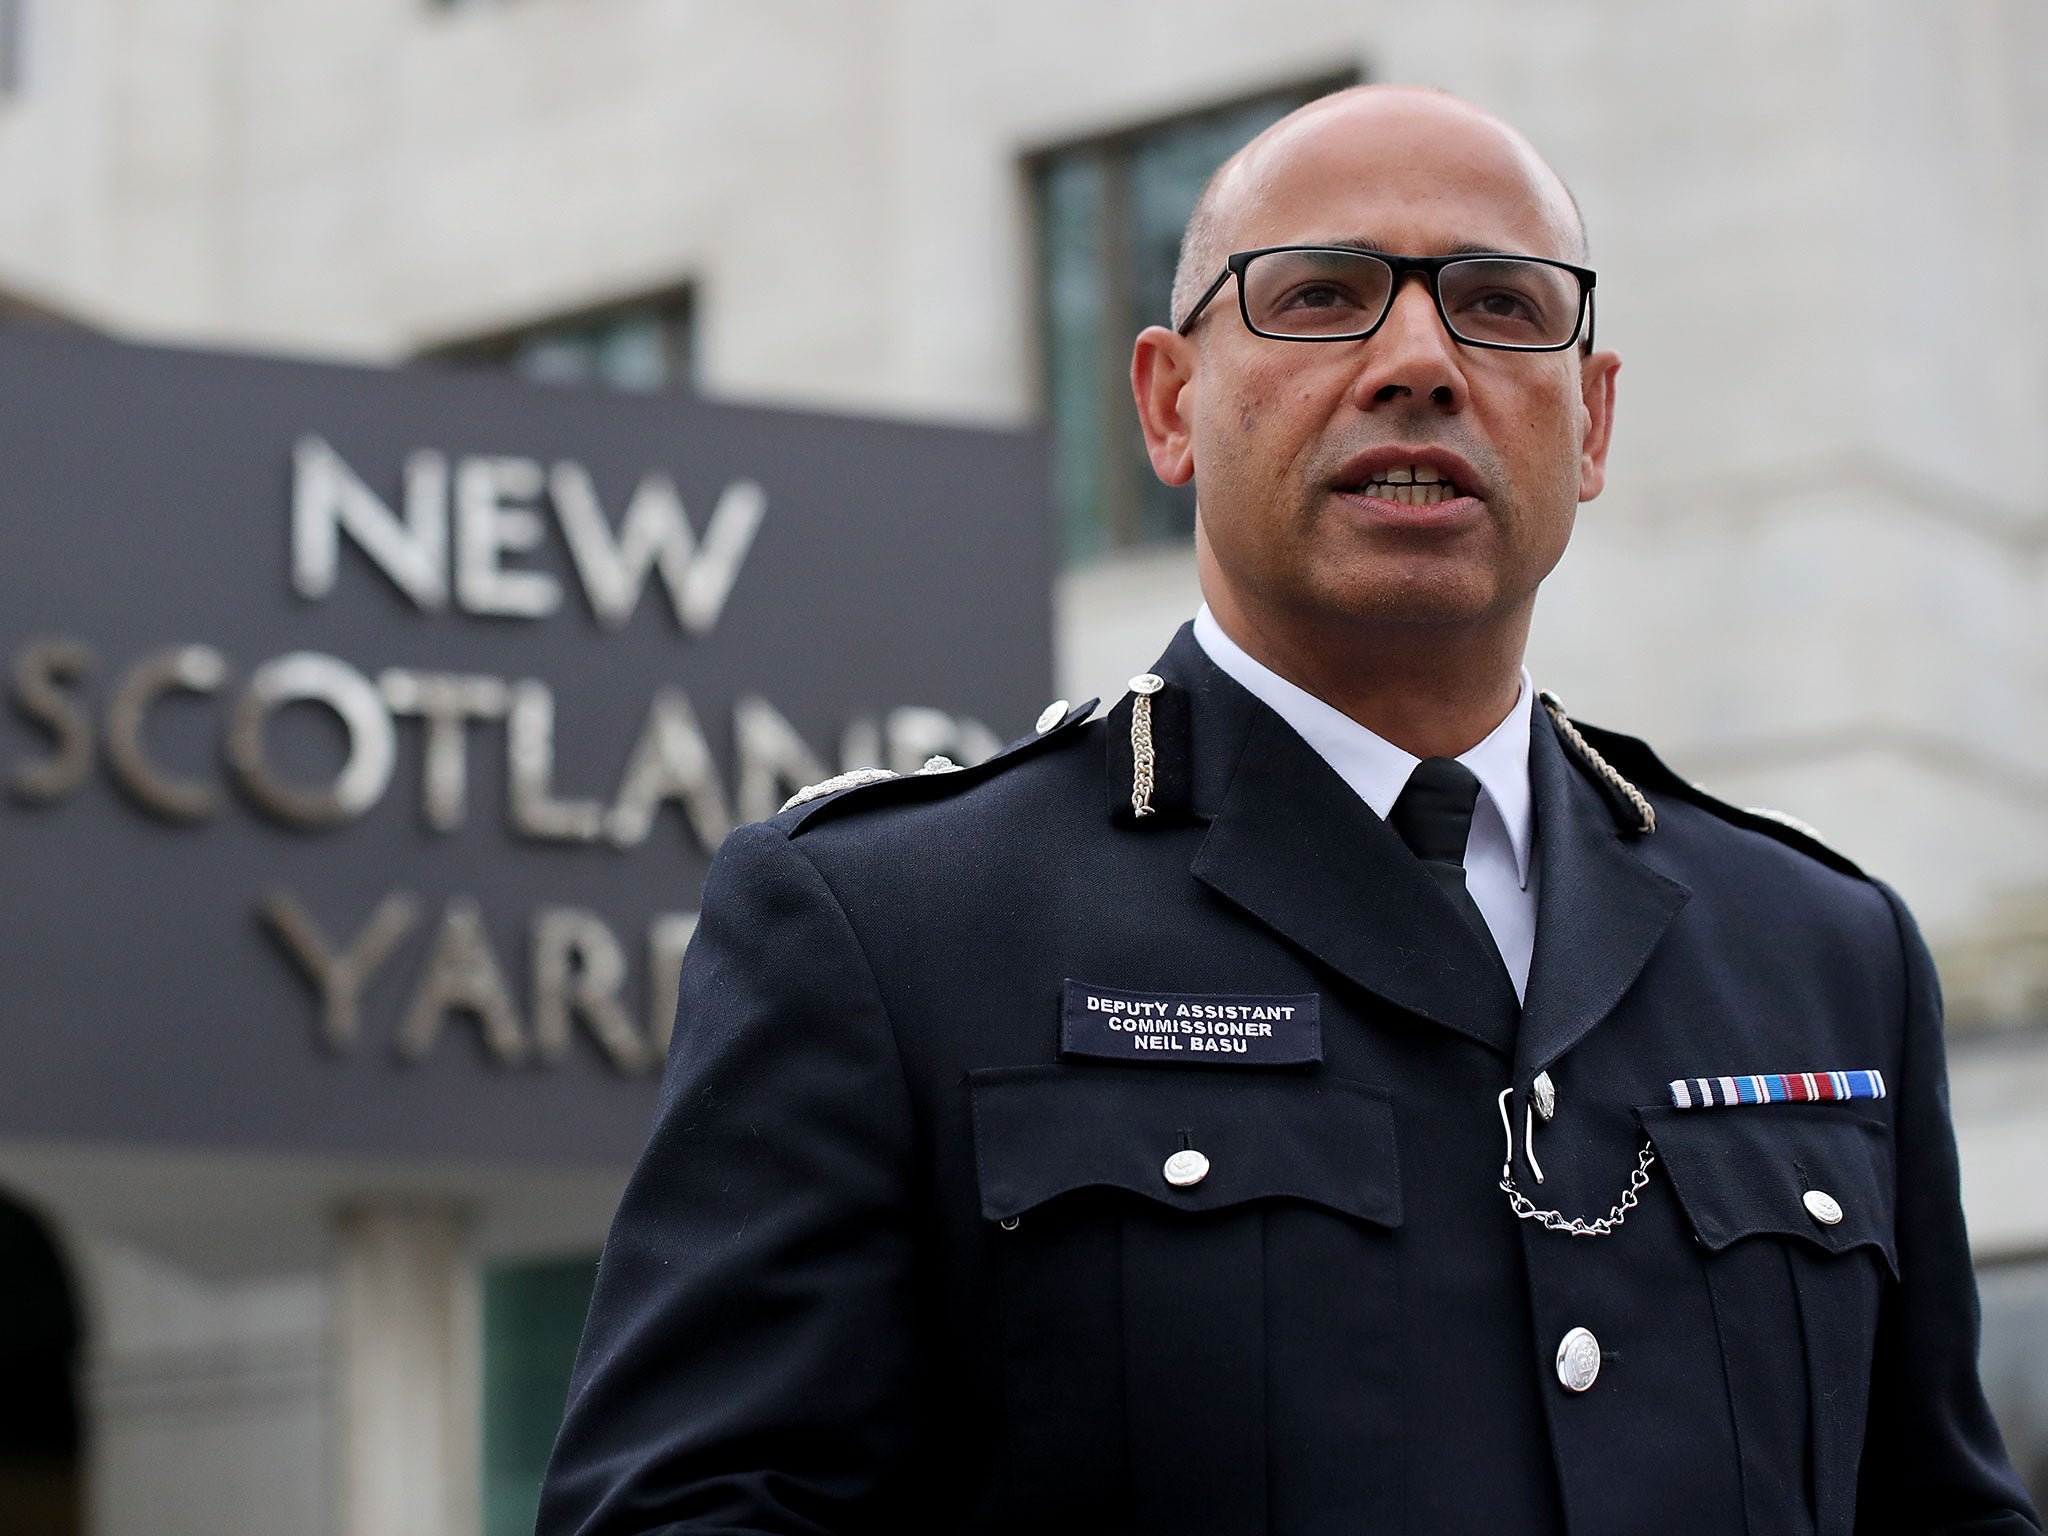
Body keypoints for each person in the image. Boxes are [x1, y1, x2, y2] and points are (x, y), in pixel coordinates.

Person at [537, 85, 2041, 1535]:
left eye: (1501, 305)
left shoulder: (1822, 955)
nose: (1418, 360)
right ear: (1169, 403)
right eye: (1319, 297)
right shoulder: (896, 928)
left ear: (1587, 425)